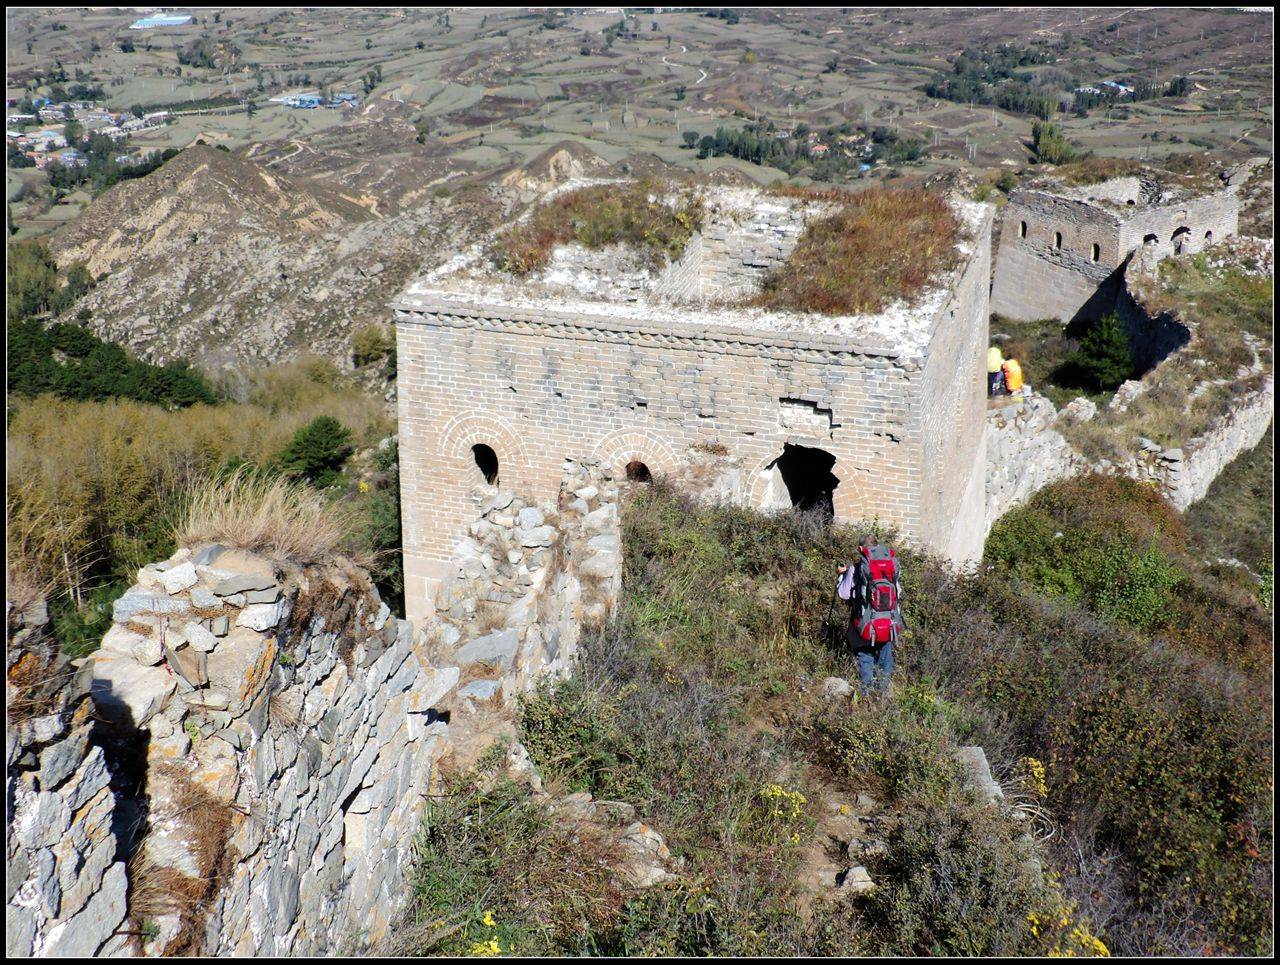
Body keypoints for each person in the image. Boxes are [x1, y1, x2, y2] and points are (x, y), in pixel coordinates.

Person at [836, 535, 903, 692]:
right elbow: (898, 592)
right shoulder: (890, 567)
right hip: (888, 622)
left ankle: (866, 696)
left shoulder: (856, 569)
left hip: (864, 623)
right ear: (877, 546)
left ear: (861, 549)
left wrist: (841, 576)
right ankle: (883, 695)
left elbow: (844, 594)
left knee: (865, 657)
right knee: (885, 659)